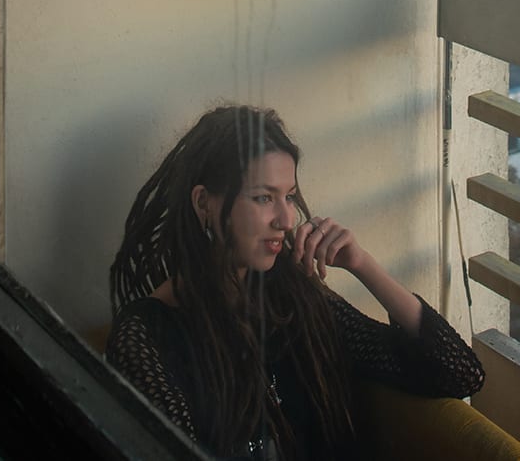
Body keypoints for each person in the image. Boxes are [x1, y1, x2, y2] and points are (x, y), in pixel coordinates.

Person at [106, 105, 485, 459]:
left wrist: (362, 264)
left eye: (288, 197)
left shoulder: (292, 299)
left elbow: (459, 374)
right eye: (263, 198)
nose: (286, 220)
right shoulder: (145, 336)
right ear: (204, 202)